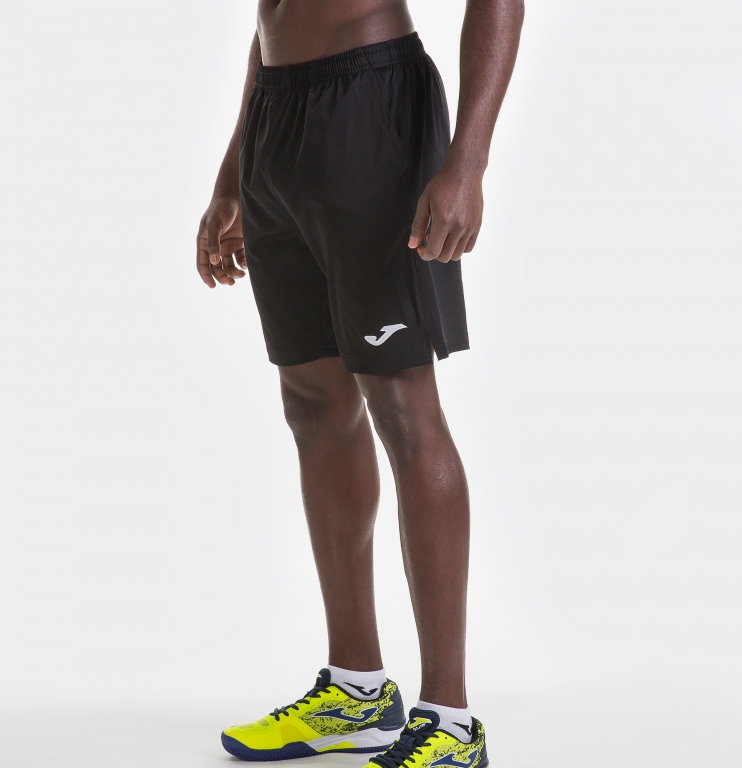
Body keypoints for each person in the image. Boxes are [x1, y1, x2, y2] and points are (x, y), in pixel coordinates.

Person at [196, 1, 523, 765]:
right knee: (314, 406)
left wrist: (468, 161)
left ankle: (450, 722)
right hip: (276, 116)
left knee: (403, 407)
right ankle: (356, 691)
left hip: (371, 107)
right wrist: (234, 173)